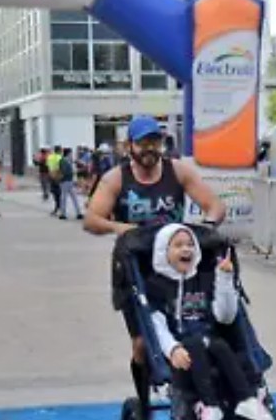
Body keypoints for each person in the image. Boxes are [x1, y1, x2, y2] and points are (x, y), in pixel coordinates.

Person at [83, 115, 226, 405]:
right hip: (134, 266)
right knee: (141, 344)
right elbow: (91, 219)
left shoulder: (178, 172)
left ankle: (200, 388)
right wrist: (118, 227)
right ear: (129, 146)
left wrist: (207, 224)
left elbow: (215, 205)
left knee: (192, 326)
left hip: (175, 264)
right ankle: (144, 401)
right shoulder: (116, 178)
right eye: (143, 142)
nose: (150, 148)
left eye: (155, 141)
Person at [148, 224, 270, 420]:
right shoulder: (157, 286)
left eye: (189, 245)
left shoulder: (203, 279)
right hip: (182, 351)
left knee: (221, 345)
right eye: (178, 245)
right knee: (195, 344)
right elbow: (157, 326)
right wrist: (172, 349)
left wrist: (224, 279)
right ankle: (209, 406)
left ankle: (246, 400)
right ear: (163, 252)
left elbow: (225, 317)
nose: (186, 249)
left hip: (208, 339)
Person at [58, 148, 83, 221]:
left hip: (70, 181)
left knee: (74, 197)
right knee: (64, 197)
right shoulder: (63, 161)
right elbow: (64, 171)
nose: (72, 155)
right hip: (65, 181)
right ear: (68, 153)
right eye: (71, 153)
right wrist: (73, 172)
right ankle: (63, 214)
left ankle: (78, 213)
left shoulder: (69, 161)